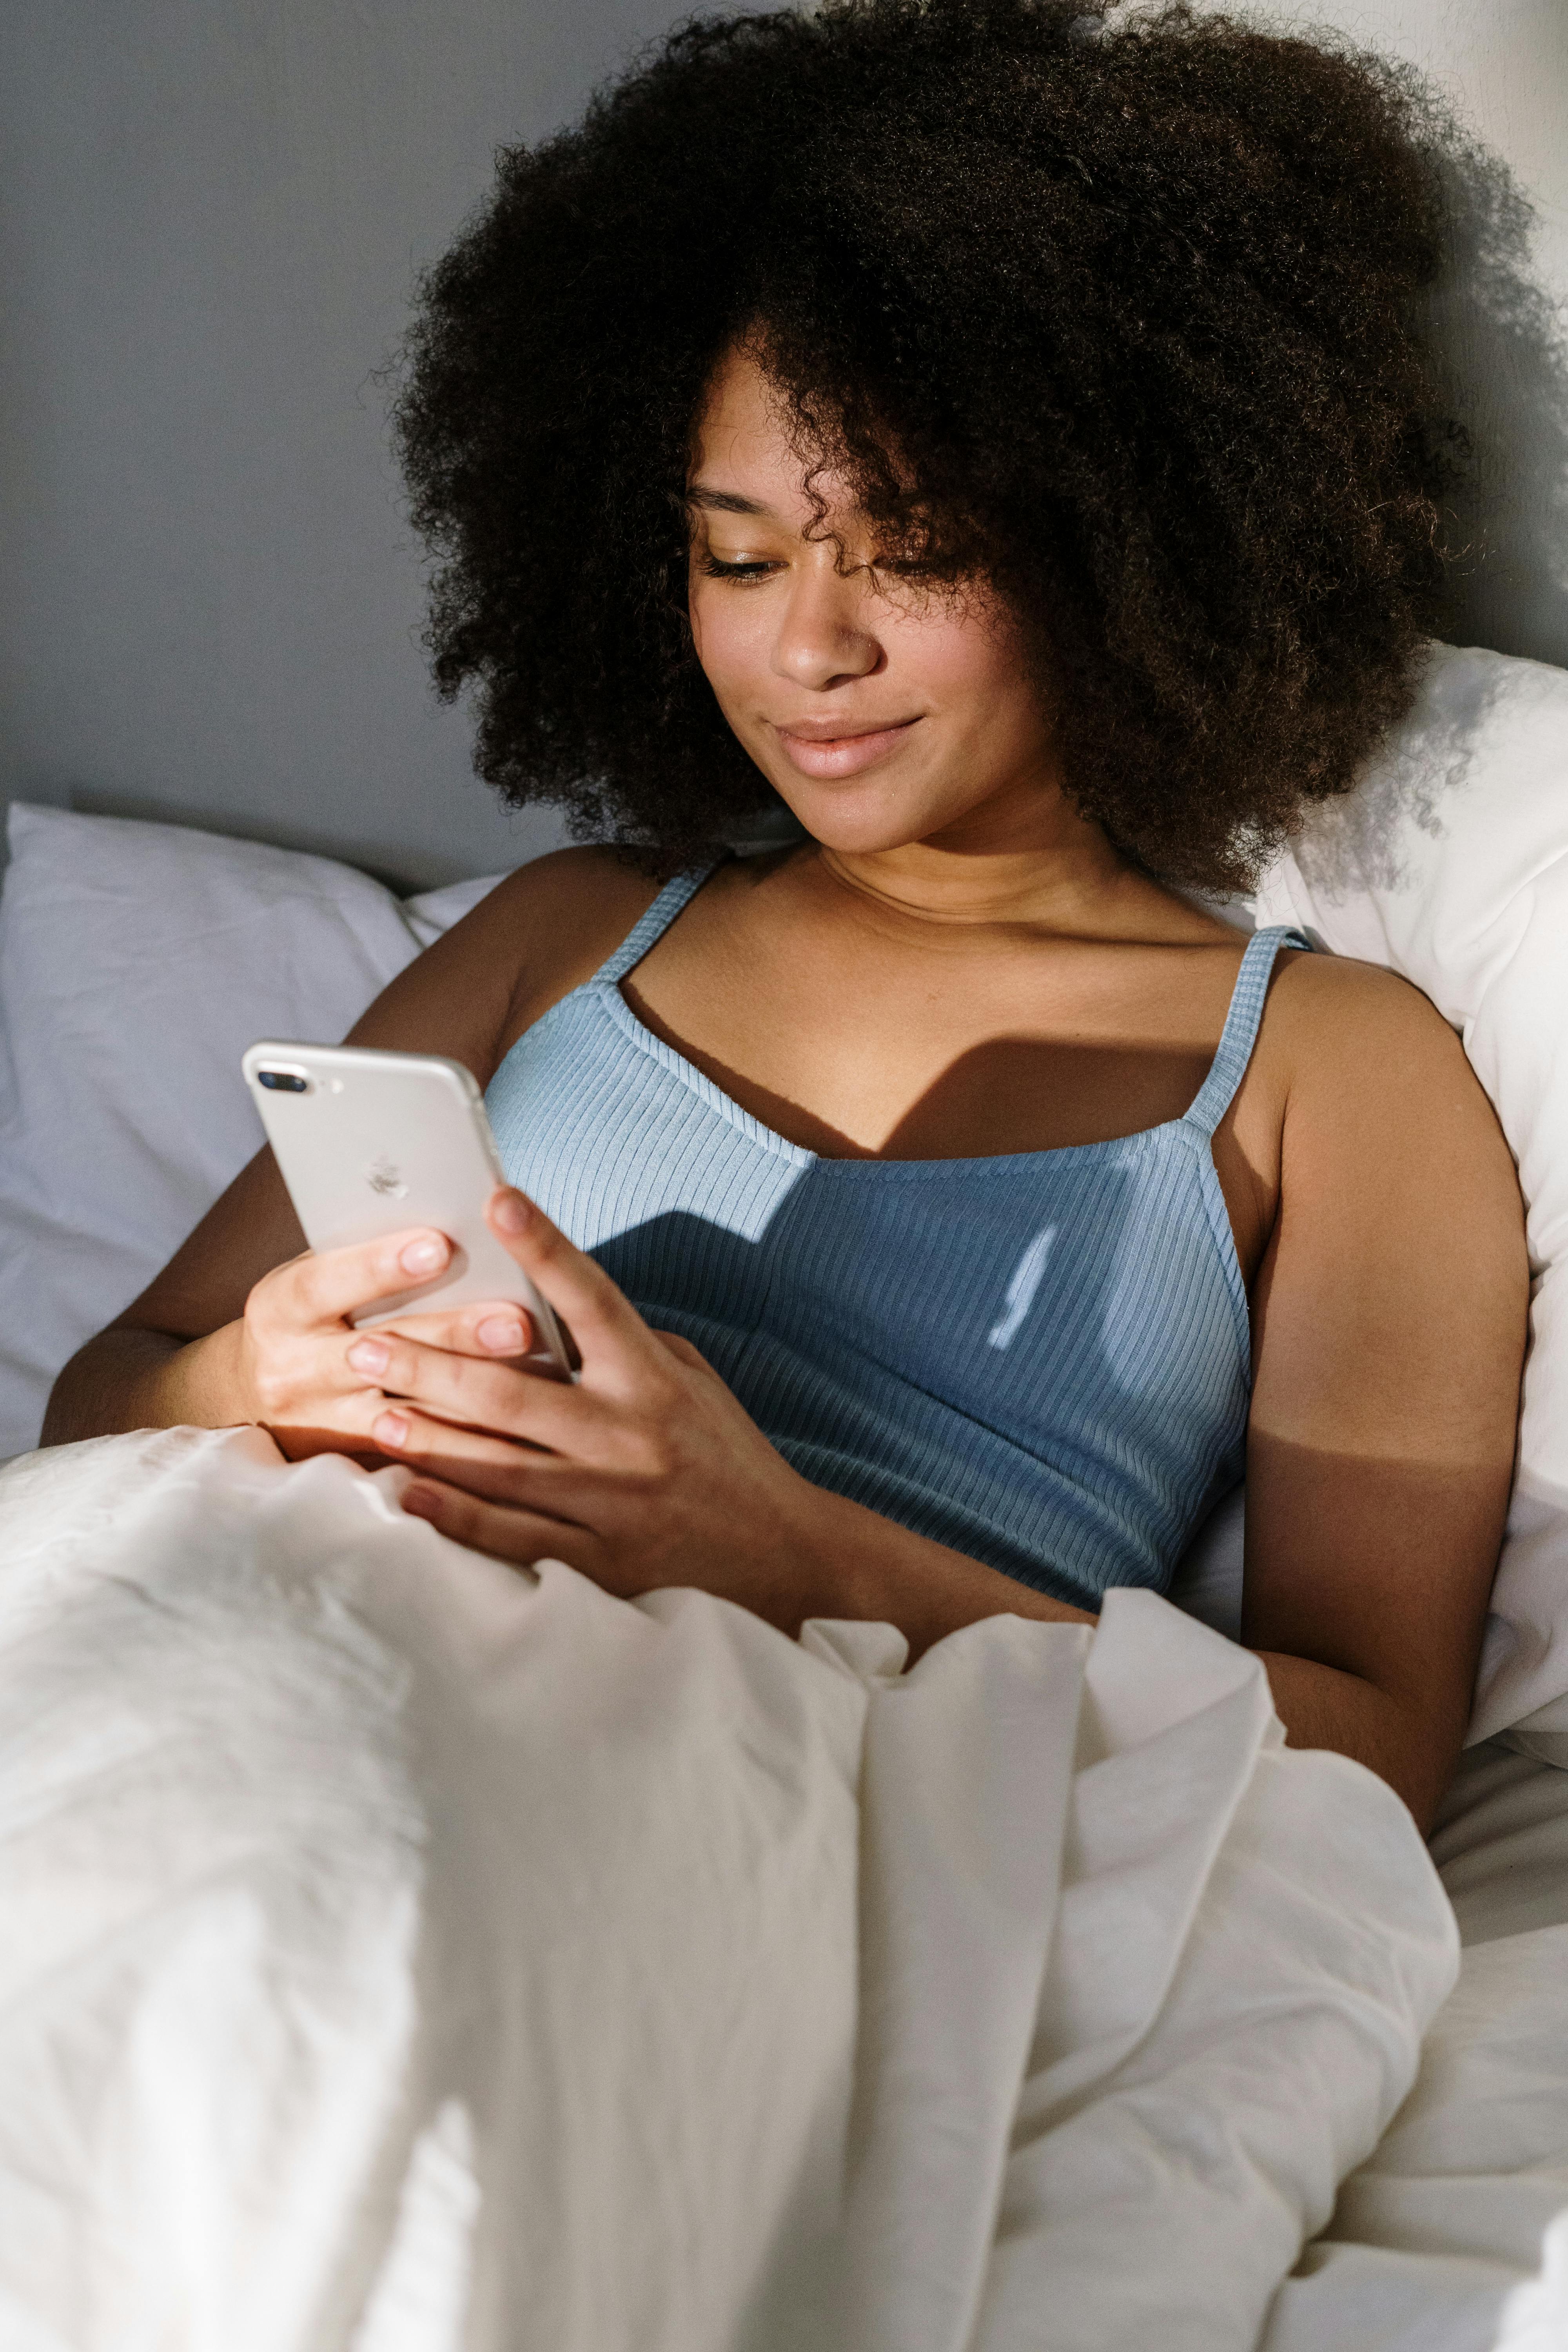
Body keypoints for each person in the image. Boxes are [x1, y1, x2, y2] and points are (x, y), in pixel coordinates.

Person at [45, 0, 1527, 1831]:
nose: (809, 648)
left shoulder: (1329, 1065)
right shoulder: (566, 934)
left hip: (763, 1792)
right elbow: (101, 1401)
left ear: (1126, 543)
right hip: (285, 1664)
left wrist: (783, 1547)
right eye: (738, 556)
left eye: (912, 549)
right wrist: (252, 1374)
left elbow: (1372, 1742)